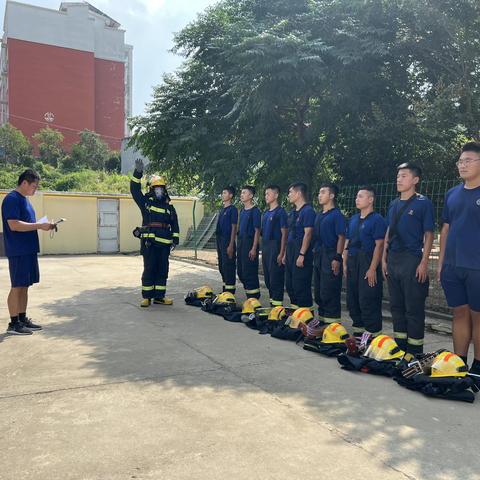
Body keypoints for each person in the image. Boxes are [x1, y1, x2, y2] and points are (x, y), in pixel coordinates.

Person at [382, 163, 434, 356]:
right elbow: (389, 232)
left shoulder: (423, 203)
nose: (399, 179)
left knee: (413, 308)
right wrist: (384, 259)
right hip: (393, 259)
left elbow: (429, 234)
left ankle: (414, 351)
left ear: (415, 180)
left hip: (412, 259)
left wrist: (423, 262)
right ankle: (400, 349)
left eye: (403, 176)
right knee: (396, 307)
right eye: (398, 176)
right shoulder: (393, 204)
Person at [439, 141, 480, 375]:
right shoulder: (452, 194)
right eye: (460, 161)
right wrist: (443, 263)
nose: (462, 165)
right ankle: (459, 363)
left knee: (478, 316)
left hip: (477, 267)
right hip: (453, 266)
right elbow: (445, 229)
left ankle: (478, 368)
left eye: (468, 161)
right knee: (460, 313)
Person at [2, 169, 55, 335]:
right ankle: (13, 323)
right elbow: (14, 225)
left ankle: (22, 319)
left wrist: (45, 225)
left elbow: (27, 224)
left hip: (28, 249)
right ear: (24, 183)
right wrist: (40, 225)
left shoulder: (25, 200)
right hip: (18, 250)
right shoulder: (12, 199)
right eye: (34, 186)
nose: (35, 189)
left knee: (24, 286)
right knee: (17, 286)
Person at [130, 159, 180, 307]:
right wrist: (137, 173)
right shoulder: (146, 203)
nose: (159, 190)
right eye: (156, 187)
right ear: (152, 189)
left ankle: (159, 296)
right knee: (149, 268)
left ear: (164, 190)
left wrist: (175, 240)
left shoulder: (169, 207)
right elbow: (134, 190)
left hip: (164, 245)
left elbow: (175, 224)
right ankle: (147, 297)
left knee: (163, 269)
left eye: (161, 188)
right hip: (149, 243)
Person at [343, 187, 387, 339]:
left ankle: (373, 337)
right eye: (356, 196)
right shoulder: (353, 219)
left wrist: (373, 268)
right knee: (353, 299)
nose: (357, 199)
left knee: (368, 299)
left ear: (370, 199)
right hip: (353, 262)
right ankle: (358, 334)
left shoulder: (377, 220)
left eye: (361, 196)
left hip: (367, 261)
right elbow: (348, 242)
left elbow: (379, 245)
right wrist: (344, 262)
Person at [313, 183, 346, 326]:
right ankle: (321, 321)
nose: (320, 195)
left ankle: (332, 326)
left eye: (323, 192)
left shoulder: (336, 215)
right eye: (319, 192)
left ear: (331, 195)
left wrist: (337, 257)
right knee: (319, 290)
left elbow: (341, 237)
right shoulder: (319, 215)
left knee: (329, 290)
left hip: (331, 254)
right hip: (319, 254)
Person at [283, 182, 316, 309]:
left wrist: (302, 254)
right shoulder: (292, 213)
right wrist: (286, 253)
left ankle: (306, 317)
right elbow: (290, 234)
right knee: (290, 284)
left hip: (301, 251)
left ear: (298, 193)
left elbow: (308, 234)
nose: (289, 195)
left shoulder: (308, 211)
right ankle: (295, 313)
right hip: (291, 250)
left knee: (300, 284)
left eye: (290, 192)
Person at [261, 185, 288, 306]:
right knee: (268, 278)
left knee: (275, 277)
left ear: (276, 195)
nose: (266, 196)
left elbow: (284, 233)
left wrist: (281, 252)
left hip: (275, 246)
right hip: (266, 246)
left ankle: (277, 307)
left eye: (268, 194)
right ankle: (273, 304)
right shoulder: (266, 213)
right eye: (265, 194)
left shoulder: (280, 212)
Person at [237, 186, 261, 299]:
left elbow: (257, 231)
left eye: (244, 193)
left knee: (249, 272)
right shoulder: (242, 211)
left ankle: (254, 298)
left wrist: (254, 248)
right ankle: (249, 296)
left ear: (251, 196)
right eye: (241, 193)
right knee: (241, 272)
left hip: (250, 243)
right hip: (241, 243)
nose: (241, 195)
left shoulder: (255, 211)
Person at [216, 186, 238, 294]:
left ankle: (230, 292)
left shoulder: (232, 209)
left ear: (230, 195)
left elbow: (234, 227)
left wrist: (231, 245)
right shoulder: (222, 210)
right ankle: (225, 290)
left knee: (228, 266)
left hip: (227, 240)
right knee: (222, 265)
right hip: (220, 240)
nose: (222, 195)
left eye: (224, 193)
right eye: (222, 193)